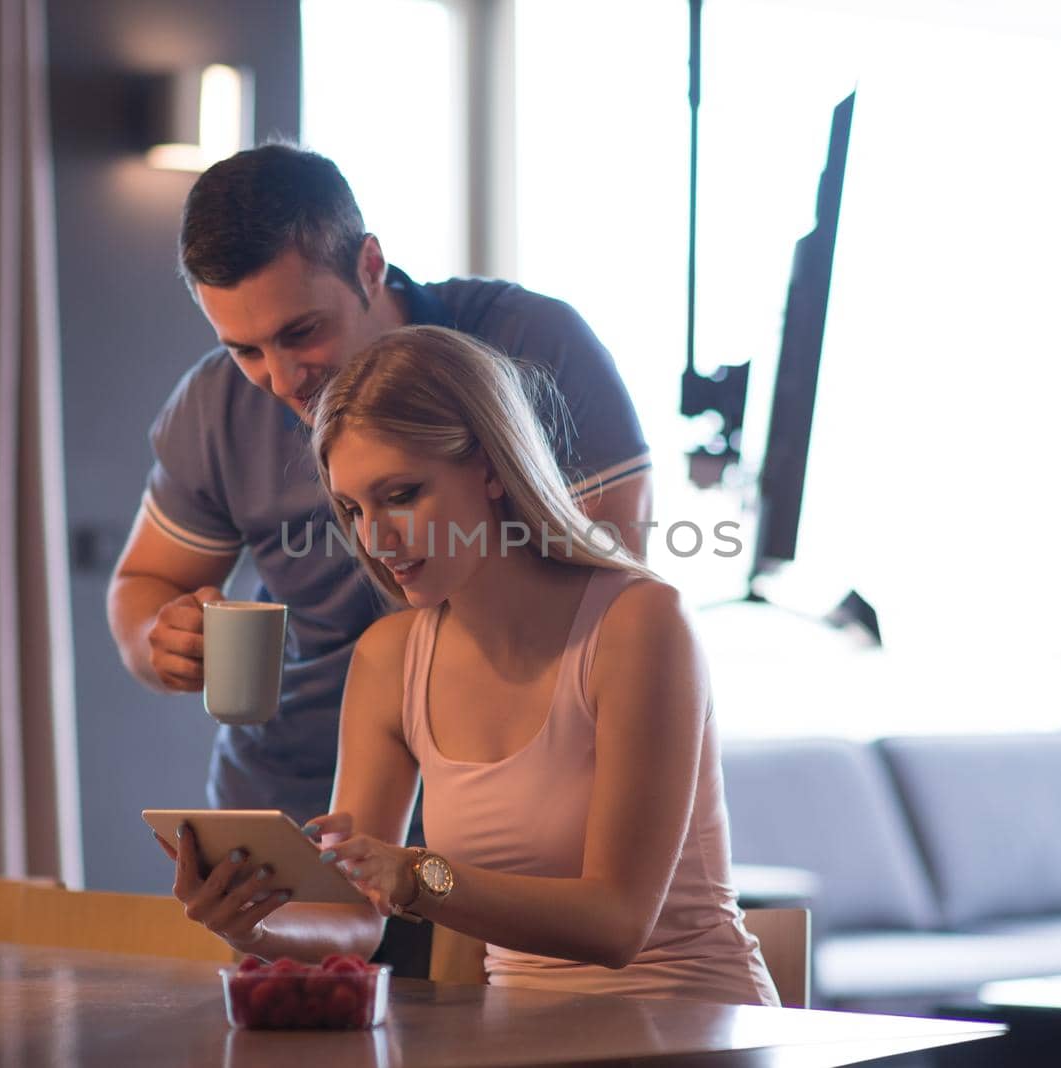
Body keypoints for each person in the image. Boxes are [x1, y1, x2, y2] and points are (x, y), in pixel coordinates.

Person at [159, 326, 778, 1006]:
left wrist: (418, 876)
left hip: (693, 1027)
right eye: (352, 508)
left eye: (401, 495)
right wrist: (255, 928)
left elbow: (617, 923)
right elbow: (355, 921)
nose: (376, 538)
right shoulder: (390, 658)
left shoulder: (641, 625)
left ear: (490, 468)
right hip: (520, 1040)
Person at [108, 144, 652, 827]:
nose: (279, 381)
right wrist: (163, 641)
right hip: (291, 806)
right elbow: (143, 586)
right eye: (244, 350)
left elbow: (611, 585)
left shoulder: (533, 344)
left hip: (501, 801)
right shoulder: (215, 407)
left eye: (301, 332)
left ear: (369, 266)